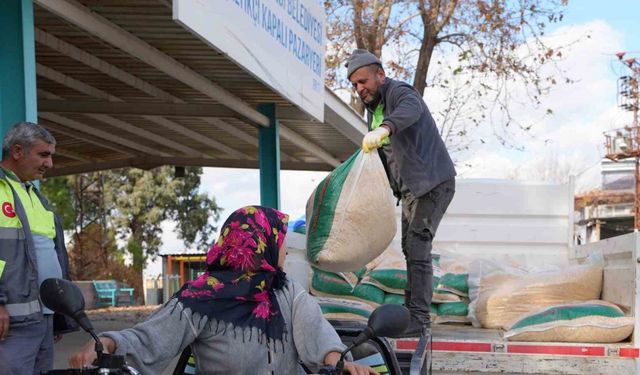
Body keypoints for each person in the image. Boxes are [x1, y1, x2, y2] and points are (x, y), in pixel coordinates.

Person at [70, 206, 377, 375]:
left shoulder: (288, 292)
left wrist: (339, 362)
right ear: (262, 245)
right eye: (279, 240)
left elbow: (317, 333)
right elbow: (150, 339)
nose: (284, 249)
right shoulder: (199, 299)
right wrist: (107, 343)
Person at [346, 49, 457, 336]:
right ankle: (412, 315)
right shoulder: (374, 109)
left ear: (380, 75)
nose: (360, 89)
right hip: (410, 191)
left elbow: (411, 110)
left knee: (418, 244)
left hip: (432, 184)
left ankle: (419, 319)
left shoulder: (400, 93)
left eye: (363, 81)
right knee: (410, 248)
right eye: (355, 84)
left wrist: (385, 129)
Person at [0, 122, 75, 374]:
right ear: (18, 151)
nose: (50, 164)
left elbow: (52, 255)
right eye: (44, 154)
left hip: (43, 317)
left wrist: (58, 314)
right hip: (11, 321)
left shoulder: (37, 197)